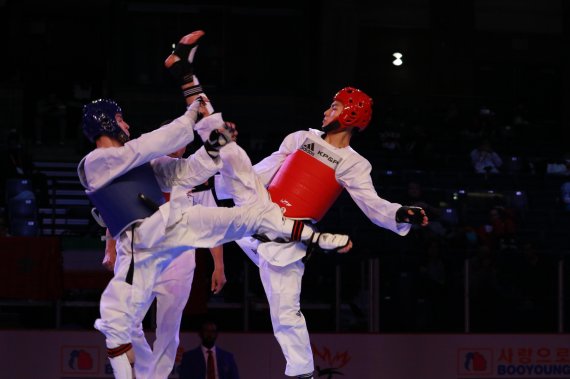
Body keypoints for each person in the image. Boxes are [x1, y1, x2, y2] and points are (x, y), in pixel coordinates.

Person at [80, 30, 351, 379]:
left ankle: (308, 237)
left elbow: (186, 172)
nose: (127, 125)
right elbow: (150, 145)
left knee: (249, 212)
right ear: (104, 123)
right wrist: (192, 116)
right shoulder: (94, 163)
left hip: (175, 237)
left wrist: (212, 147)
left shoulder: (146, 163)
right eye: (120, 120)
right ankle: (140, 373)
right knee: (120, 322)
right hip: (140, 249)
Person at [186, 85, 428, 378]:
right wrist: (219, 187)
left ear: (351, 115)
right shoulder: (301, 138)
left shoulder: (354, 163)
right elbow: (262, 171)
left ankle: (302, 375)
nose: (326, 112)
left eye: (335, 107)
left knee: (286, 315)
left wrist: (400, 212)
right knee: (219, 178)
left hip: (286, 242)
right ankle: (195, 94)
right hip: (255, 216)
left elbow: (372, 204)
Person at [101, 145, 227, 379]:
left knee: (169, 328)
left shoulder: (195, 175)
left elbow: (212, 223)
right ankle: (145, 370)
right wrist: (110, 247)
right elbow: (117, 206)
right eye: (174, 140)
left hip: (180, 258)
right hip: (144, 254)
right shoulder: (143, 167)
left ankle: (157, 377)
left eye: (183, 143)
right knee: (127, 319)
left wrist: (218, 265)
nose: (179, 147)